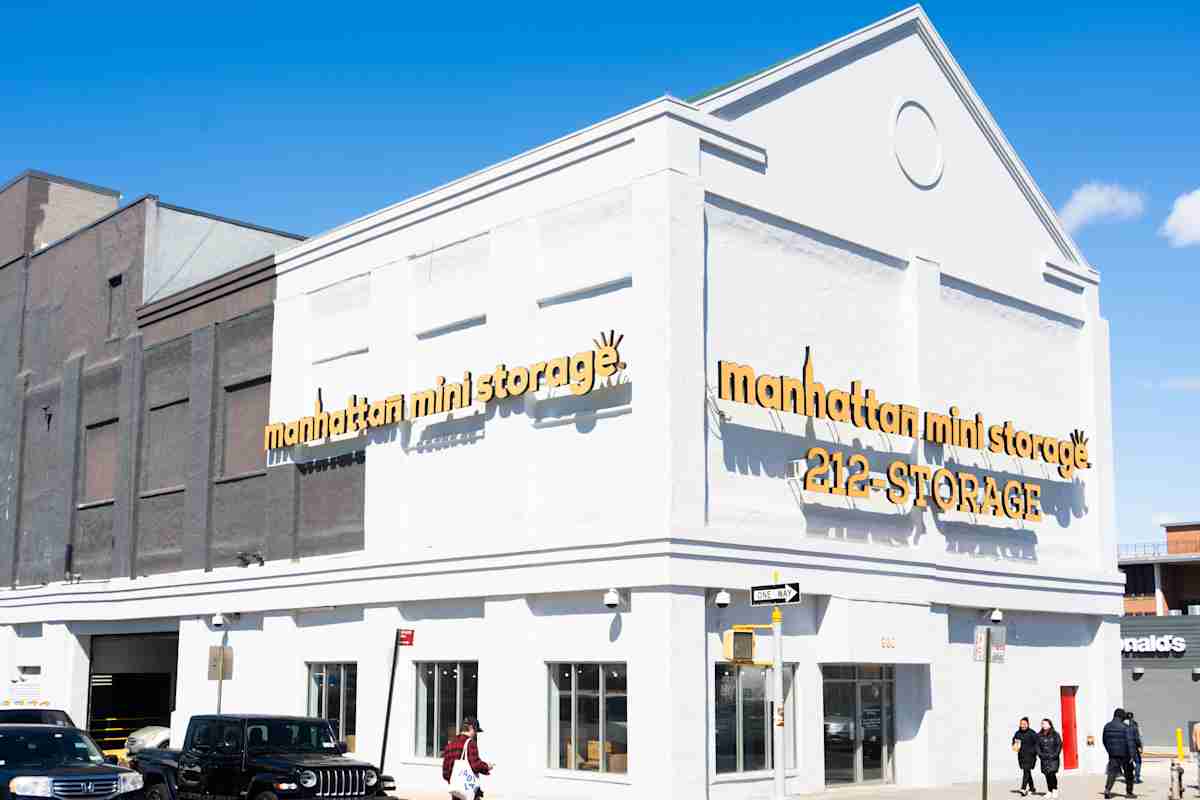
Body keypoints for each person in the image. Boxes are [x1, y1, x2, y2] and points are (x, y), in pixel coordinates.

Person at [441, 717, 493, 799]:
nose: (475, 734)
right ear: (471, 728)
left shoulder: (450, 745)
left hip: (456, 793)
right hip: (469, 791)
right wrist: (487, 766)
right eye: (475, 731)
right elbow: (475, 765)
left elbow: (445, 773)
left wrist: (455, 781)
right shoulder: (470, 744)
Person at [1102, 707, 1134, 799]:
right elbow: (1130, 742)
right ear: (1122, 716)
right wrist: (1132, 755)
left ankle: (1107, 790)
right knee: (1129, 774)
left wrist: (1110, 750)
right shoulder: (1125, 727)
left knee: (1111, 773)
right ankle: (1129, 793)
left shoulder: (1107, 726)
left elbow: (1104, 740)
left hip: (1113, 754)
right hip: (1125, 754)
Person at [1012, 717, 1039, 797]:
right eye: (1021, 724)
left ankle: (1023, 788)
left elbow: (1037, 743)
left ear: (1028, 724)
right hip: (1021, 756)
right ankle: (1032, 788)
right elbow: (1014, 741)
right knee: (1027, 772)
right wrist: (1014, 745)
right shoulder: (1017, 733)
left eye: (1024, 724)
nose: (1022, 726)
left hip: (1030, 756)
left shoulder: (1032, 733)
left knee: (1026, 771)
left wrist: (1034, 752)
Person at [1037, 718, 1064, 800]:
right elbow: (1037, 746)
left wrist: (1055, 754)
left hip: (1053, 758)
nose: (1043, 725)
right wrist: (1040, 755)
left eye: (1045, 723)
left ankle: (1055, 789)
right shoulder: (1039, 735)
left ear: (1049, 724)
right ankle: (1049, 791)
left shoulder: (1055, 734)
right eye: (1042, 724)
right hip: (1044, 758)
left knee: (1052, 774)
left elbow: (1059, 745)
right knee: (1047, 774)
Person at [1126, 711, 1144, 783]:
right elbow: (1138, 737)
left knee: (1127, 762)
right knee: (1138, 762)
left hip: (1124, 747)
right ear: (1132, 717)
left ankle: (1128, 777)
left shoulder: (1121, 724)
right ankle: (1136, 777)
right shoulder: (1135, 724)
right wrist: (1140, 746)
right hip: (1134, 747)